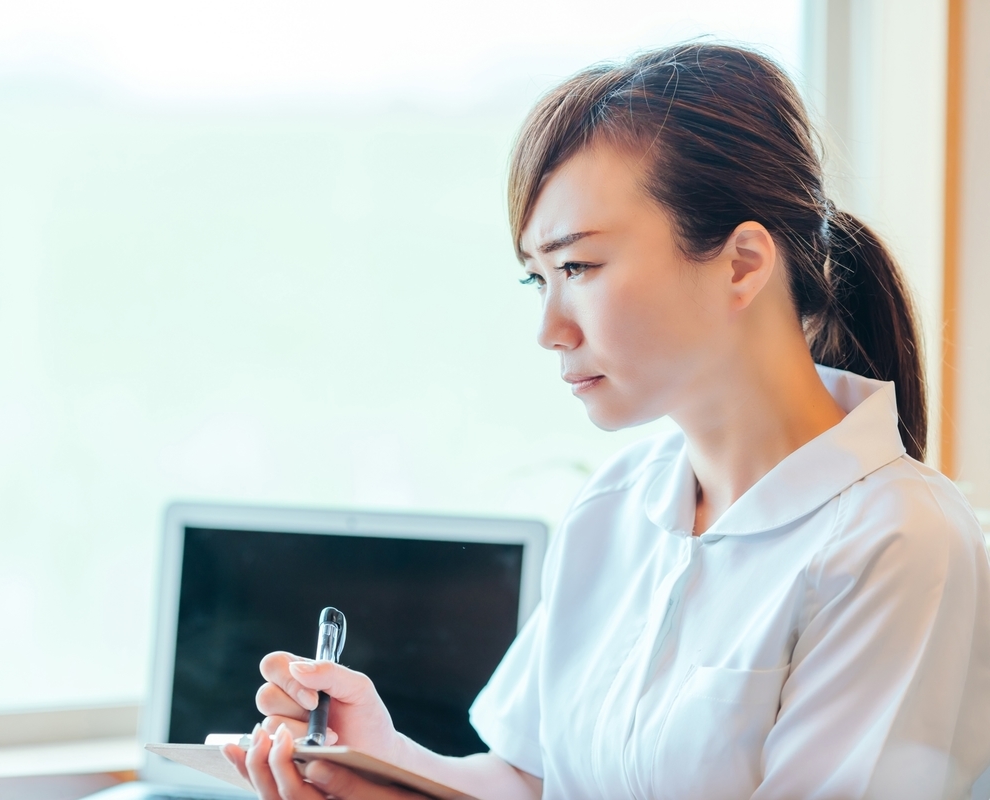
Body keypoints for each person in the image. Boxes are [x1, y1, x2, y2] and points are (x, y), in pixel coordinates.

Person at [223, 42, 990, 800]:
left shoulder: (898, 542)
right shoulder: (617, 503)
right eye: (538, 277)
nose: (550, 328)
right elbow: (529, 777)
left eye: (579, 268)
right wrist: (386, 768)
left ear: (743, 264)